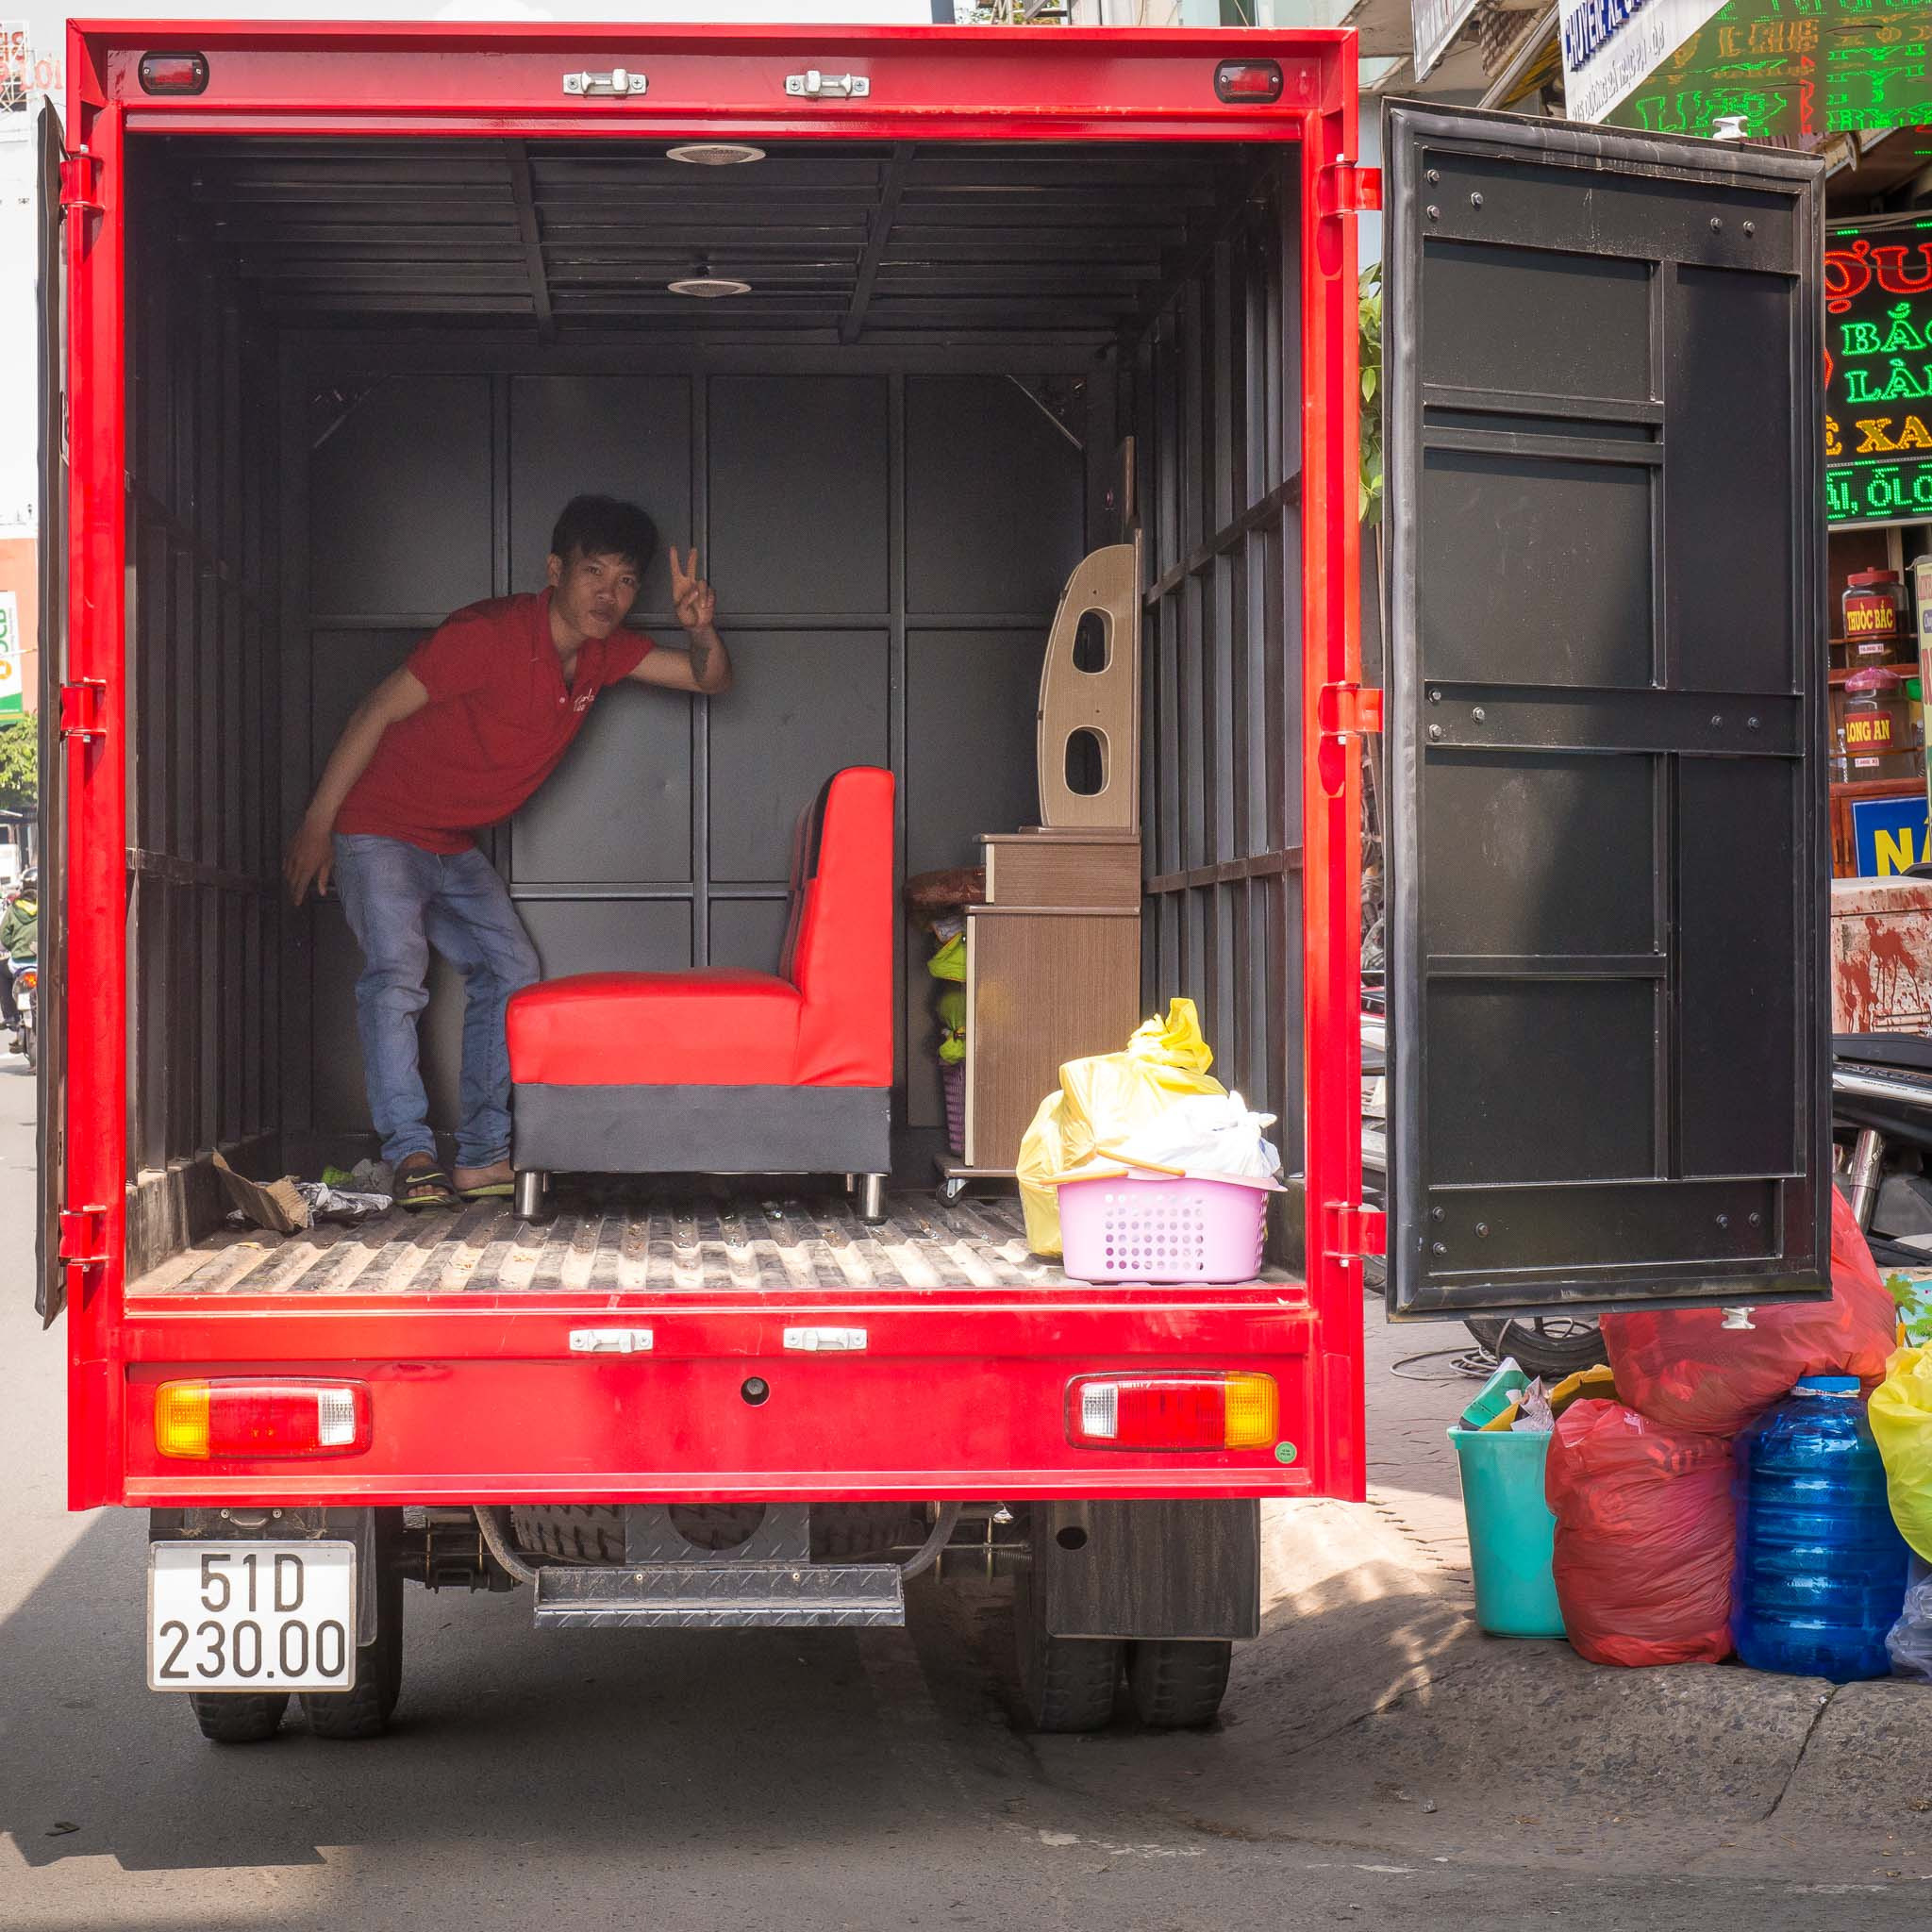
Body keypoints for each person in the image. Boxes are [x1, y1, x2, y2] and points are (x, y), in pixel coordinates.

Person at [282, 495, 731, 1210]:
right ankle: (411, 1154)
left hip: (449, 842)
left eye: (625, 581)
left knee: (510, 966)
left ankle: (482, 1156)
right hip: (379, 825)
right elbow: (376, 709)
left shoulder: (604, 654)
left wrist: (700, 630)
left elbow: (709, 678)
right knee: (396, 975)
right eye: (593, 572)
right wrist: (317, 824)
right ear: (555, 571)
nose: (608, 595)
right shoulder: (485, 636)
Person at [0, 869, 37, 1053]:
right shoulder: (48, 904)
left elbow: (4, 935)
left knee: (2, 972)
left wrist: (14, 947)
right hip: (41, 962)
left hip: (19, 963)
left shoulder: (14, 908)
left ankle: (11, 1017)